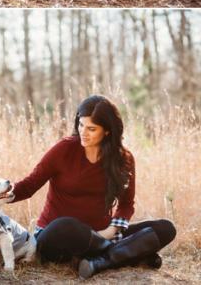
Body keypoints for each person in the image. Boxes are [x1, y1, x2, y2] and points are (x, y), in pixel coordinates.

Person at [9, 95, 175, 278]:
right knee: (65, 225)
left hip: (103, 234)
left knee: (165, 228)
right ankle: (126, 254)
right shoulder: (64, 149)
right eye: (81, 125)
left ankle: (101, 261)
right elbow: (29, 185)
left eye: (91, 128)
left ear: (107, 131)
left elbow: (127, 204)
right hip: (57, 238)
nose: (83, 132)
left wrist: (110, 232)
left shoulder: (123, 159)